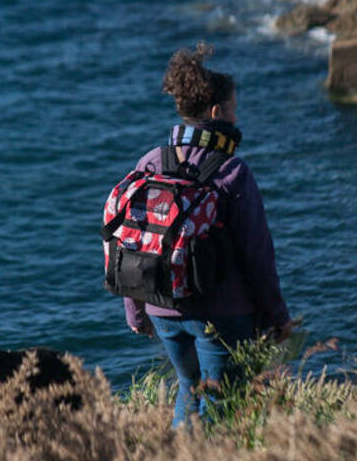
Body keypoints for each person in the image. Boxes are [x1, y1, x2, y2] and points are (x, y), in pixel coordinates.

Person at [124, 42, 293, 428]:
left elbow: (133, 239)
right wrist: (276, 317)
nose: (236, 116)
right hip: (222, 312)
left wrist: (136, 312)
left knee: (189, 387)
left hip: (161, 307)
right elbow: (257, 256)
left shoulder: (151, 162)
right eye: (234, 108)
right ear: (217, 112)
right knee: (221, 404)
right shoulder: (233, 171)